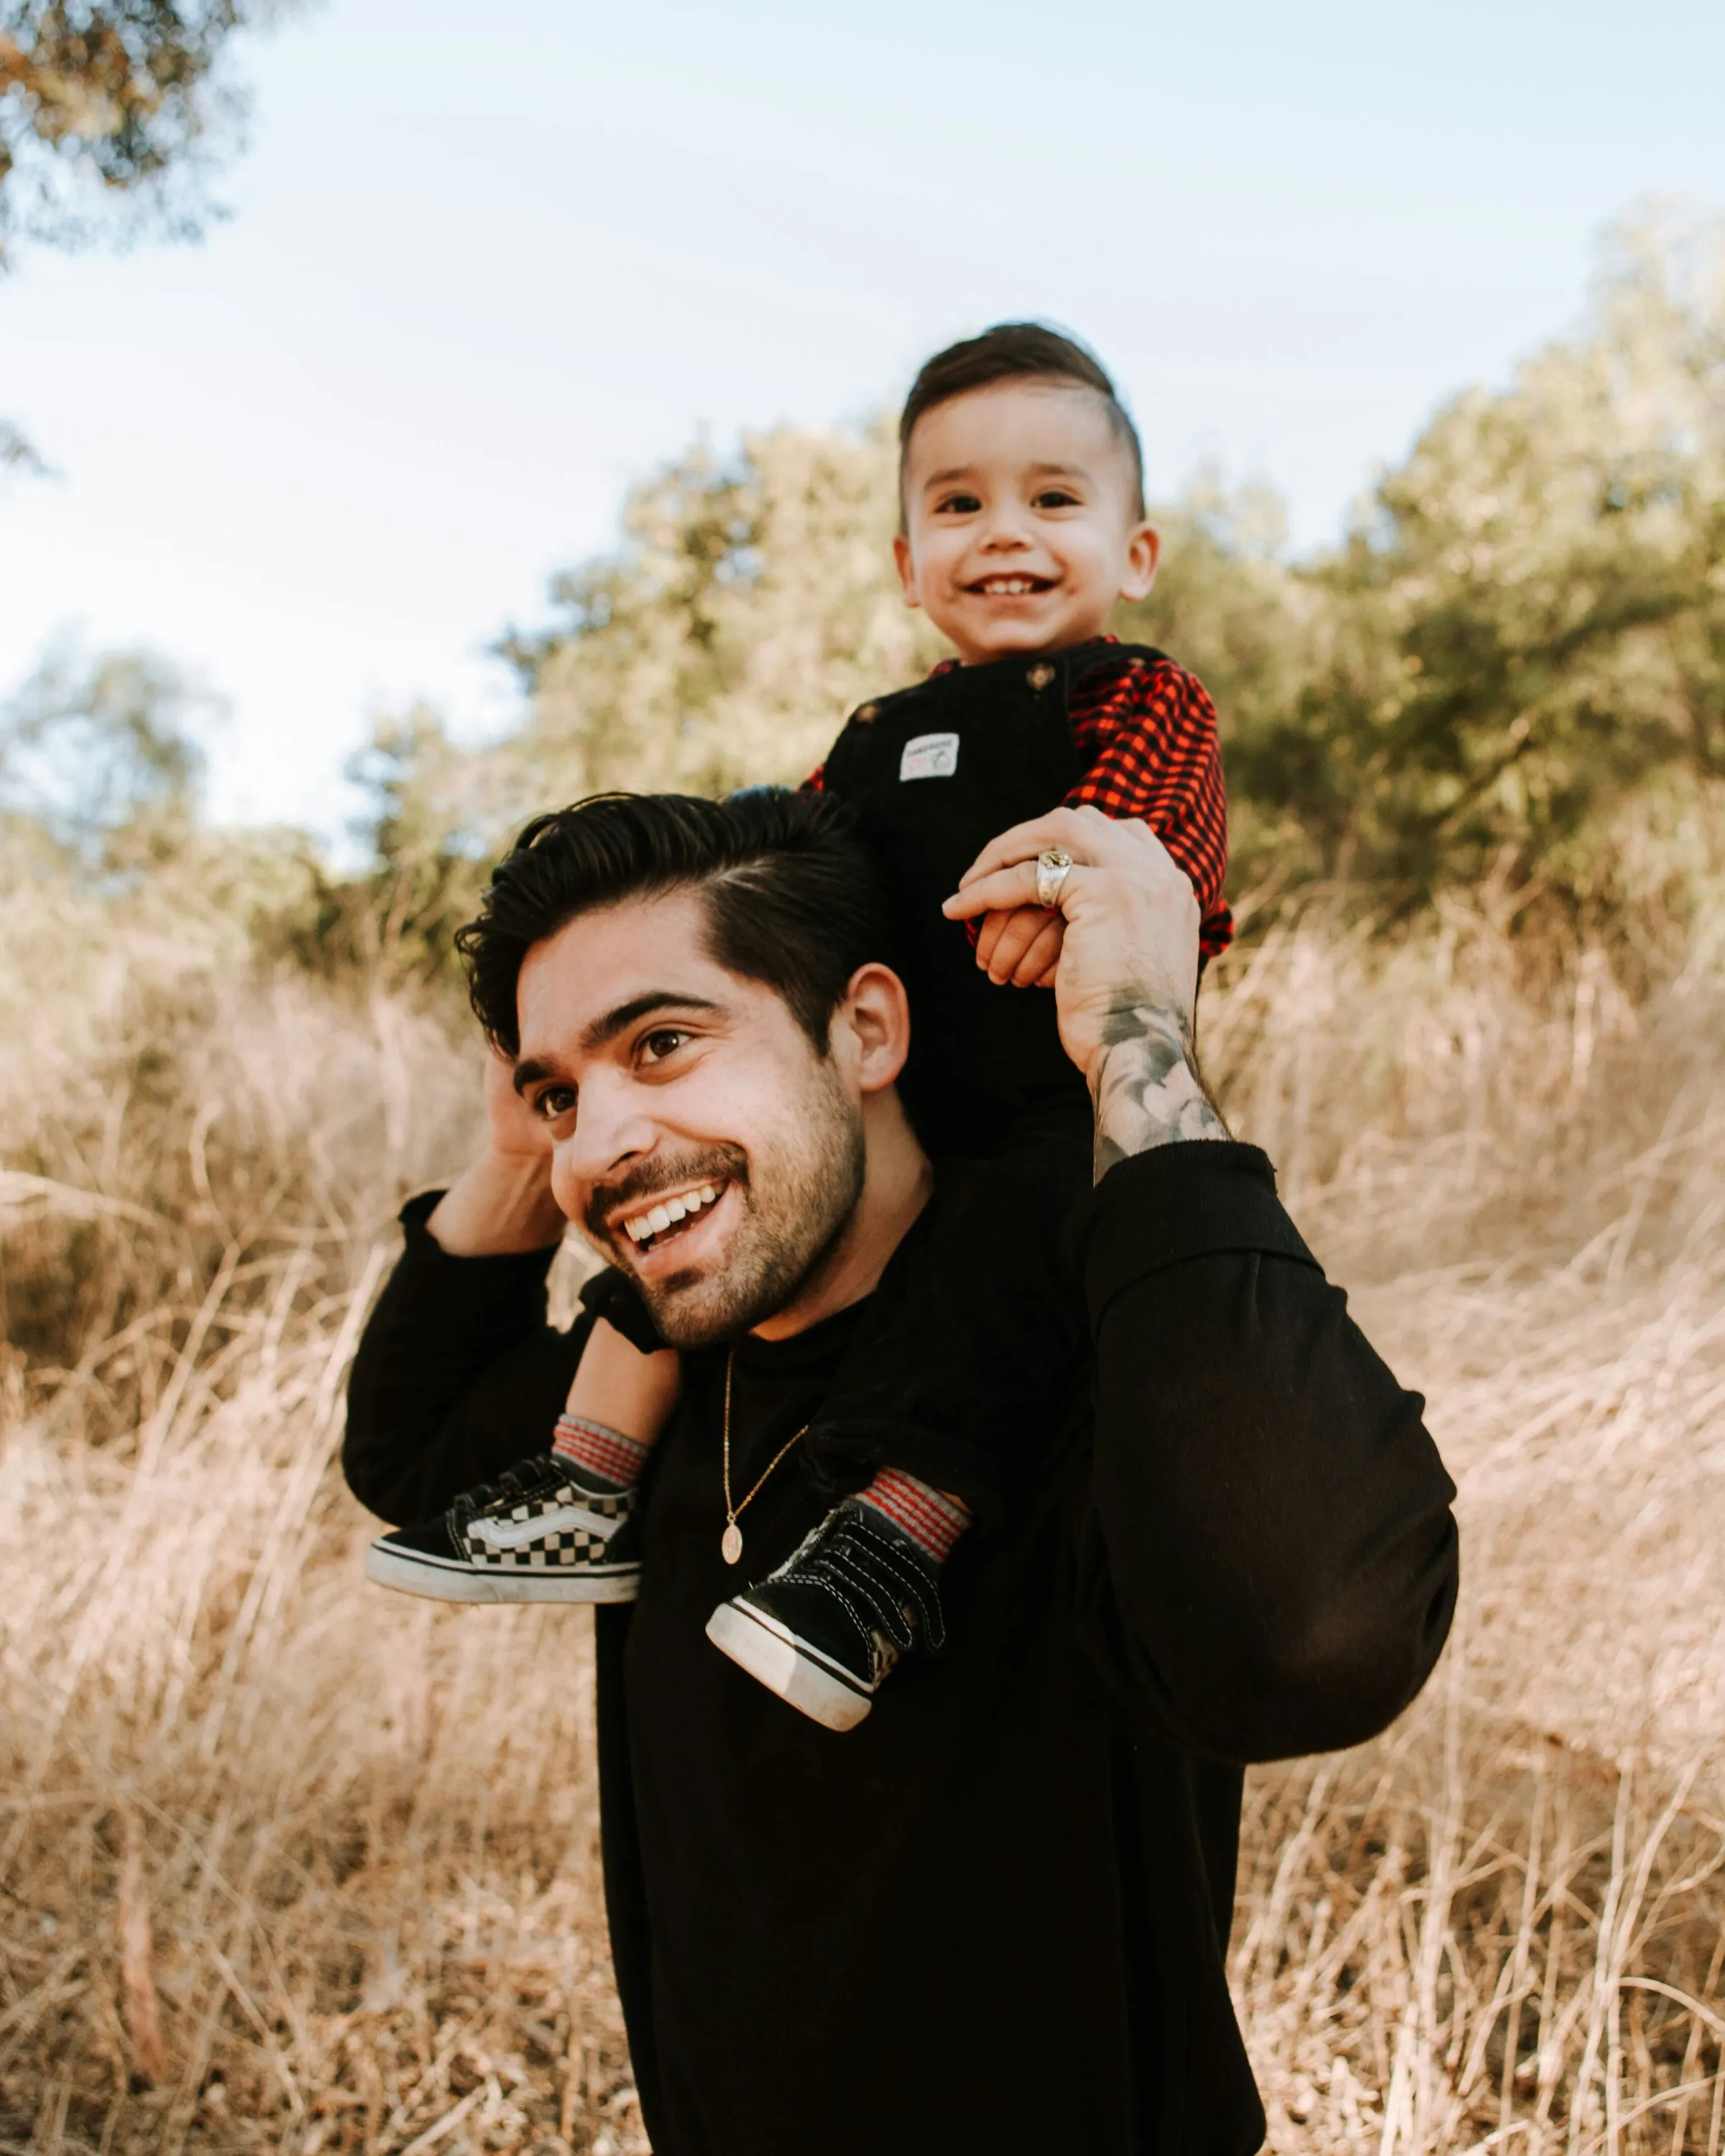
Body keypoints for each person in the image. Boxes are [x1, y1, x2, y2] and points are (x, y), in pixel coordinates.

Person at [343, 787, 1458, 2156]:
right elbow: (405, 1454)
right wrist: (532, 1131)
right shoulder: (661, 1369)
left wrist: (1136, 1046)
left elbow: (1304, 1642)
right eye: (565, 1092)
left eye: (666, 1043)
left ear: (866, 1028)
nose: (604, 1141)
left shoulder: (1079, 1365)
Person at [364, 324, 1238, 1734]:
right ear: (906, 565)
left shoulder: (1134, 701)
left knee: (1005, 1272)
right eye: (957, 504)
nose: (1002, 533)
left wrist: (1075, 885)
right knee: (659, 1239)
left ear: (1135, 554)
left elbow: (1154, 848)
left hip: (1034, 1097)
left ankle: (892, 1540)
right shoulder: (878, 732)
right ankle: (589, 1482)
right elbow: (789, 863)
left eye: (1053, 500)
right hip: (865, 1103)